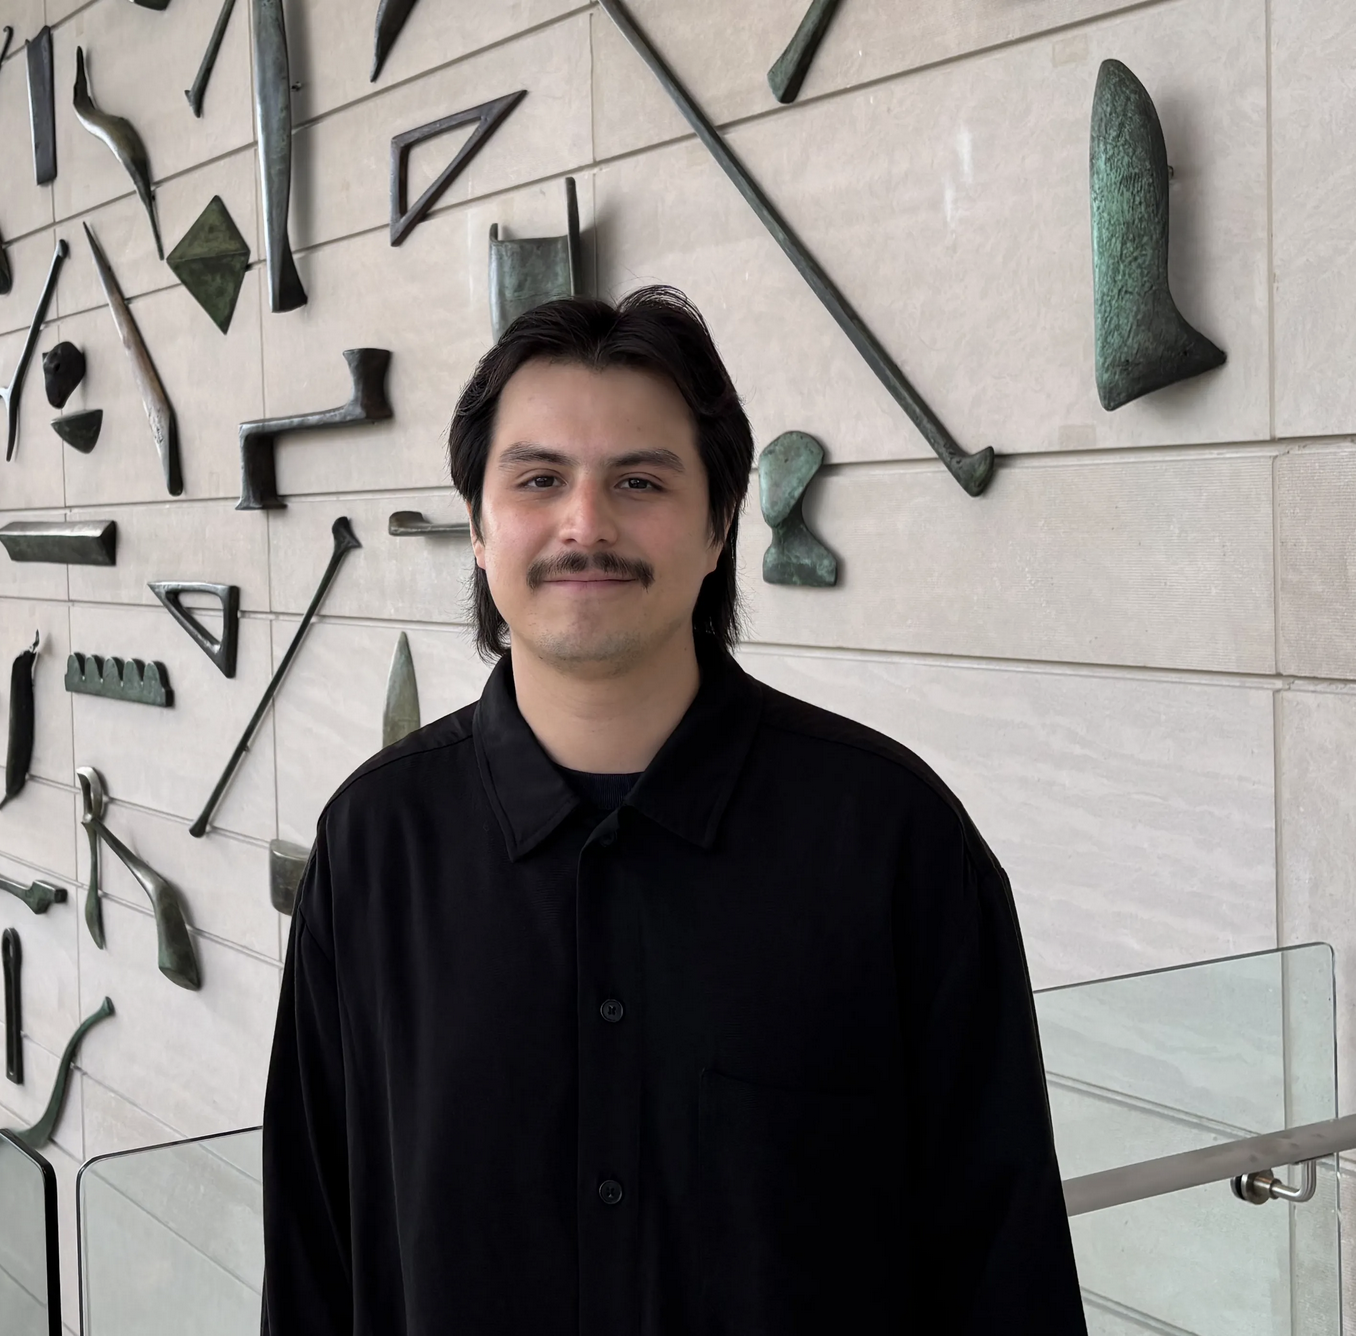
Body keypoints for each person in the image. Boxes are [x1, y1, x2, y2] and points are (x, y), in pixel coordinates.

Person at [262, 288, 1085, 1334]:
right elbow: (313, 1263)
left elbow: (1003, 1268)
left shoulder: (891, 840)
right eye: (539, 479)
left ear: (719, 525)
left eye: (640, 480)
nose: (585, 523)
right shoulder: (375, 849)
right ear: (476, 526)